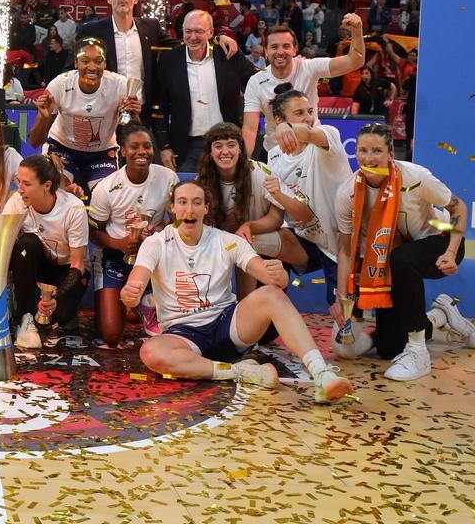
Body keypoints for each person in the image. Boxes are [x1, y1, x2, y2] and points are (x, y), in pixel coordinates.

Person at [120, 180, 354, 404]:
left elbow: (266, 273)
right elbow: (136, 281)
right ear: (172, 208)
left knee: (272, 294)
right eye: (182, 202)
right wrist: (131, 293)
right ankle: (238, 372)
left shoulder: (226, 241)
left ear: (206, 208)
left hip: (227, 327)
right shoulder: (156, 243)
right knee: (151, 352)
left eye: (196, 202)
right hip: (183, 335)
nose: (189, 209)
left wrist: (279, 275)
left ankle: (322, 374)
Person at [332, 124, 475, 380]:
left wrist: (452, 252)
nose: (368, 158)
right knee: (389, 347)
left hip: (439, 244)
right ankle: (440, 316)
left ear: (391, 154)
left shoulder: (414, 177)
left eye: (376, 150)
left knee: (401, 258)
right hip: (389, 261)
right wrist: (342, 298)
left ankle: (419, 352)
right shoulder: (347, 193)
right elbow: (345, 249)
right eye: (362, 150)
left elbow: (459, 209)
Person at [78, 0, 235, 126]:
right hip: (102, 114)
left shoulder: (150, 27)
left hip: (142, 115)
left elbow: (184, 44)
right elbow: (72, 69)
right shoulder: (92, 31)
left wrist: (217, 38)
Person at [196, 123, 311, 299]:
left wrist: (249, 226)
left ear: (241, 149)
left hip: (266, 240)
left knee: (244, 241)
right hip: (226, 243)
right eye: (218, 146)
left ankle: (245, 304)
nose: (225, 151)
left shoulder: (259, 171)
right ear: (210, 153)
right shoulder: (201, 181)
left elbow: (276, 218)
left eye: (231, 145)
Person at [88, 125, 177, 345]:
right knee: (110, 335)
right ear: (123, 151)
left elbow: (177, 223)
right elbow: (92, 232)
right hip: (115, 258)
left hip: (153, 260)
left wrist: (157, 233)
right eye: (134, 147)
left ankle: (143, 303)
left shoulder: (168, 178)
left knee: (174, 330)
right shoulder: (106, 188)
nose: (142, 152)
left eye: (147, 146)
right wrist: (118, 244)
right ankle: (133, 305)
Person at [262, 89, 354, 303]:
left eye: (310, 111)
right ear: (278, 119)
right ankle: (267, 321)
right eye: (299, 113)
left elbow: (309, 133)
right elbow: (292, 213)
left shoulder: (326, 136)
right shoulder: (274, 156)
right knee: (256, 243)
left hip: (343, 244)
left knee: (346, 325)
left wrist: (288, 127)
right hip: (305, 242)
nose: (308, 118)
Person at [28, 38, 140, 191]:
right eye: (85, 61)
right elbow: (35, 142)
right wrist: (43, 117)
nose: (92, 67)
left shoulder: (120, 85)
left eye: (99, 61)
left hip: (101, 152)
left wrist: (134, 116)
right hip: (62, 148)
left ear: (105, 64)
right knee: (58, 190)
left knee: (107, 195)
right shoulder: (59, 84)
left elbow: (133, 130)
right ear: (76, 63)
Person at [242, 17, 366, 155]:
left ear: (295, 50)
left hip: (310, 151)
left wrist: (357, 31)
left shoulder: (309, 67)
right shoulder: (256, 81)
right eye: (274, 47)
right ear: (266, 51)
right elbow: (250, 129)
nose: (280, 52)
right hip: (274, 153)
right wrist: (245, 164)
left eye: (286, 46)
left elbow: (355, 61)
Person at [154, 10, 258, 172]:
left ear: (210, 33)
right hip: (186, 148)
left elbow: (257, 82)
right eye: (188, 31)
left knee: (229, 196)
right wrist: (164, 146)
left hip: (227, 145)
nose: (193, 37)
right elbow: (159, 105)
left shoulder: (228, 53)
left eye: (199, 31)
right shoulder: (169, 60)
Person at [3, 155, 89, 347]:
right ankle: (25, 318)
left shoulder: (73, 208)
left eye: (26, 184)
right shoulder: (16, 203)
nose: (19, 189)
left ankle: (62, 312)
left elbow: (78, 264)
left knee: (56, 318)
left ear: (47, 185)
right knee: (27, 243)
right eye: (18, 182)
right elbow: (3, 250)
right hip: (36, 266)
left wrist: (57, 298)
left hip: (66, 271)